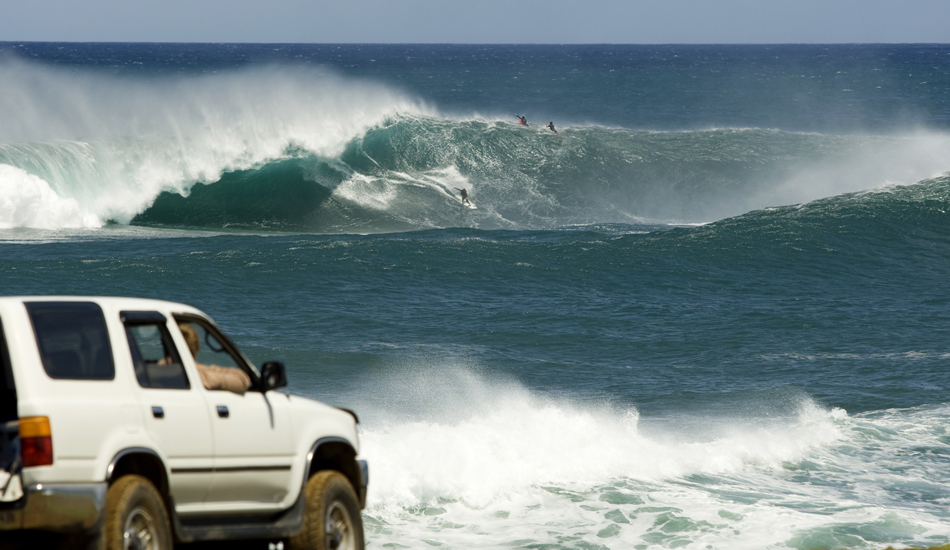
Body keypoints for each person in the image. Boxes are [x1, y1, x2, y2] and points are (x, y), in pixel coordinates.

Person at [178, 323, 251, 395]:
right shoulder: (199, 377)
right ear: (196, 349)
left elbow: (242, 378)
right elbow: (242, 379)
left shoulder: (168, 372)